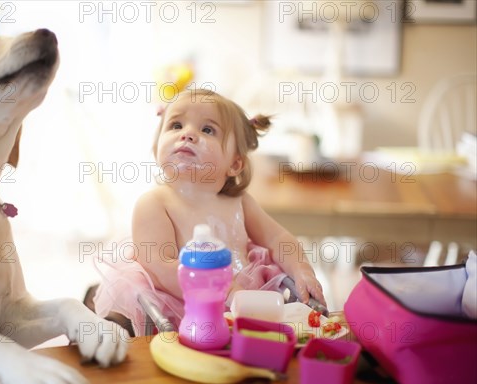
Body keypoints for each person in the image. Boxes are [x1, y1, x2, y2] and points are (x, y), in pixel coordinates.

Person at [94, 89, 326, 336]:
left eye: (207, 130)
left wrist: (302, 270)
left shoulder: (239, 202)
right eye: (175, 125)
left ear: (235, 163)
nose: (187, 134)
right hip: (188, 308)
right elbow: (159, 266)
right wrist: (218, 289)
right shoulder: (155, 203)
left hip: (248, 301)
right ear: (156, 146)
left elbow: (278, 239)